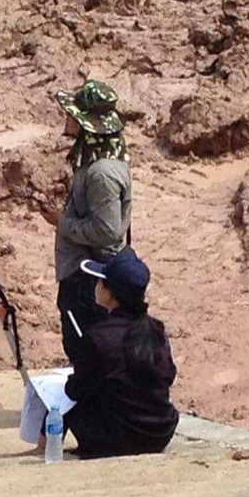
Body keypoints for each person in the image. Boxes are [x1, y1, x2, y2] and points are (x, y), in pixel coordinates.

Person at [62, 249, 179, 458]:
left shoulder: (98, 337)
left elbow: (76, 390)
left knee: (63, 402)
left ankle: (43, 448)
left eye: (99, 282)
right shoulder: (156, 330)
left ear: (108, 293)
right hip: (160, 432)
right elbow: (168, 375)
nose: (95, 286)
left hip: (116, 439)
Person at [54, 79, 132, 366]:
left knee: (87, 352)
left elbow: (107, 231)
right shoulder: (101, 160)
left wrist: (61, 223)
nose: (66, 118)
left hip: (88, 279)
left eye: (71, 114)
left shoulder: (101, 173)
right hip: (89, 275)